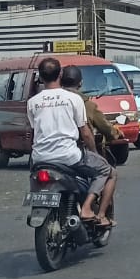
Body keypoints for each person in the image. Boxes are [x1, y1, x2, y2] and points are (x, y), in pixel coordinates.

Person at [25, 56, 113, 226]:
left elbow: (33, 131)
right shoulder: (74, 99)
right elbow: (86, 133)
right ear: (60, 75)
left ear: (41, 77)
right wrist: (94, 153)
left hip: (39, 159)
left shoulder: (32, 103)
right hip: (69, 157)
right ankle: (90, 209)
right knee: (107, 171)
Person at [61, 64, 118, 226]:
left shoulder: (49, 99)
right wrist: (113, 134)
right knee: (108, 172)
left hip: (43, 154)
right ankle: (99, 215)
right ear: (80, 83)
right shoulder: (85, 104)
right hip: (76, 153)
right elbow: (95, 130)